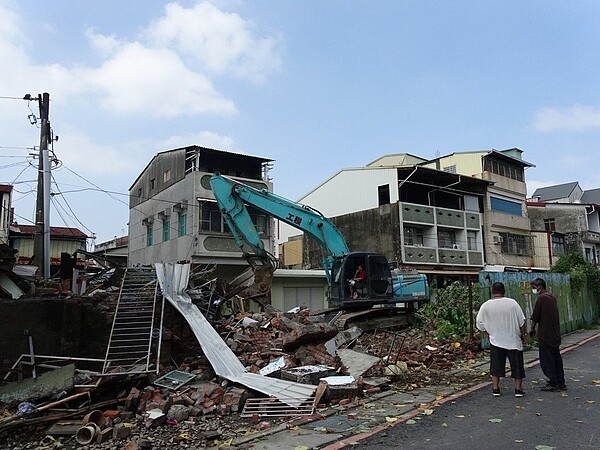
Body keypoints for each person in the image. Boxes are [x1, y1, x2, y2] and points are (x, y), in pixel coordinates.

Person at [476, 281, 526, 397]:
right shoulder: (513, 303)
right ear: (504, 291)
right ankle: (518, 389)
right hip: (513, 339)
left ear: (492, 292)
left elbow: (479, 323)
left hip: (496, 340)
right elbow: (522, 322)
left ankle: (495, 388)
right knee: (517, 365)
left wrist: (488, 331)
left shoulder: (485, 306)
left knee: (496, 365)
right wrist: (524, 336)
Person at [529, 278, 566, 392]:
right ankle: (560, 381)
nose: (534, 291)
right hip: (554, 333)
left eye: (534, 288)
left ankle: (553, 382)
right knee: (556, 358)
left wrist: (532, 328)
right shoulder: (551, 297)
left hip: (545, 334)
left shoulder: (542, 298)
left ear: (539, 287)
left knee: (547, 360)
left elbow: (535, 316)